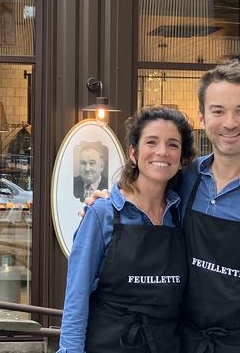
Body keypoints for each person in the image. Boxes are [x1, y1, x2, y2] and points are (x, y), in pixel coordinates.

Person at [84, 60, 240, 352]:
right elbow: (142, 204)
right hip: (187, 342)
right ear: (202, 117)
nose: (229, 123)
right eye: (218, 111)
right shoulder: (186, 178)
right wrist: (105, 202)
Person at [58, 106, 194, 353]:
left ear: (183, 157)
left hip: (167, 345)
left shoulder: (181, 214)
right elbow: (76, 297)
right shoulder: (103, 213)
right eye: (151, 142)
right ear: (133, 153)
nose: (162, 152)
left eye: (173, 144)